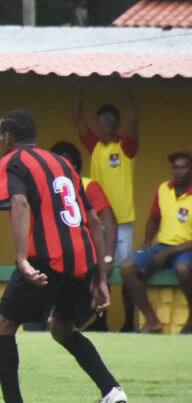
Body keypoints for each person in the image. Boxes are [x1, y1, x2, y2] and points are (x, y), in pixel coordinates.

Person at [0, 109, 126, 403]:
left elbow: (19, 202)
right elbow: (93, 219)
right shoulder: (63, 163)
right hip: (82, 257)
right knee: (63, 328)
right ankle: (112, 390)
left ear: (7, 137)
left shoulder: (12, 161)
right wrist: (101, 277)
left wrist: (20, 258)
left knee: (4, 324)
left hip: (45, 257)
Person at [71, 88, 138, 330]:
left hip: (124, 221)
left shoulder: (126, 147)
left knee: (125, 275)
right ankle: (101, 321)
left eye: (111, 120)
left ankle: (130, 321)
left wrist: (129, 89)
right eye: (102, 121)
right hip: (99, 219)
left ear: (117, 122)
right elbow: (77, 119)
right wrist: (82, 83)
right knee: (103, 269)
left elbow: (134, 121)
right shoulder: (95, 146)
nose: (106, 125)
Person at [120, 151, 192, 335]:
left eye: (183, 167)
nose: (179, 171)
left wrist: (166, 254)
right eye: (175, 167)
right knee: (127, 267)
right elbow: (154, 218)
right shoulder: (163, 189)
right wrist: (146, 243)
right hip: (163, 245)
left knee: (183, 269)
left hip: (186, 248)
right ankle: (152, 321)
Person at [50, 140, 118, 331]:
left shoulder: (88, 185)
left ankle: (92, 321)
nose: (64, 166)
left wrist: (108, 257)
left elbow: (109, 221)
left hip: (86, 250)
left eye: (69, 162)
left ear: (77, 164)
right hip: (57, 251)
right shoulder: (48, 186)